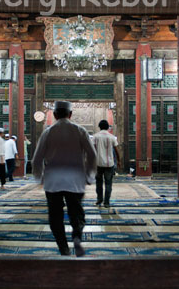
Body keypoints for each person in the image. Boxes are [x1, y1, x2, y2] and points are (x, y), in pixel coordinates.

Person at [32, 101, 96, 257]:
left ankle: (63, 248)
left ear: (54, 115)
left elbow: (36, 159)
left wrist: (39, 178)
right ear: (70, 114)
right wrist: (89, 176)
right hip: (76, 181)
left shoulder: (48, 132)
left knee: (55, 217)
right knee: (77, 214)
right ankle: (77, 239)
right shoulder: (80, 131)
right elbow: (93, 155)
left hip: (53, 182)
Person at [92, 120, 121, 208]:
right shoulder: (111, 137)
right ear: (108, 127)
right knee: (108, 183)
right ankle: (107, 203)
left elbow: (92, 150)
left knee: (98, 183)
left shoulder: (95, 137)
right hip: (109, 164)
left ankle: (99, 199)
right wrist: (119, 161)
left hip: (98, 164)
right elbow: (116, 150)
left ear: (99, 127)